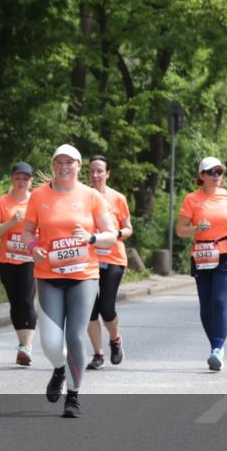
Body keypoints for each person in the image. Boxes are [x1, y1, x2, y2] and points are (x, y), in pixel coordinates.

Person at [21, 144, 117, 418]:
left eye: (69, 162)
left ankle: (73, 396)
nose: (64, 167)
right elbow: (27, 231)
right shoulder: (39, 195)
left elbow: (111, 234)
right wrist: (33, 247)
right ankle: (59, 369)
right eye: (59, 162)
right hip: (49, 274)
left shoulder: (91, 196)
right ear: (53, 165)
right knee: (50, 342)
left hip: (83, 275)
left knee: (75, 335)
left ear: (78, 165)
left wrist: (90, 238)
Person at [176, 157, 227, 371]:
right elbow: (180, 230)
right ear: (202, 175)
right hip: (202, 253)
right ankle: (215, 346)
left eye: (219, 172)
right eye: (211, 172)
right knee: (206, 304)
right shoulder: (192, 199)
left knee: (220, 300)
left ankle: (218, 350)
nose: (216, 176)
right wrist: (196, 229)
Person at [84, 155, 132, 370]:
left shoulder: (118, 198)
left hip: (113, 259)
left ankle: (115, 339)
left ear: (107, 174)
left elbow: (128, 228)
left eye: (99, 171)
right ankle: (98, 354)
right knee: (89, 310)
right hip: (88, 260)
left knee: (106, 307)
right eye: (92, 171)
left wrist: (116, 234)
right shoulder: (82, 197)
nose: (95, 175)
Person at [0, 162, 37, 366]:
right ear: (12, 179)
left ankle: (27, 346)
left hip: (29, 259)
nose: (21, 182)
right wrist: (11, 222)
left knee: (27, 299)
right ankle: (22, 343)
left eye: (25, 179)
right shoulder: (2, 202)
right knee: (15, 302)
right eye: (18, 178)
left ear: (31, 181)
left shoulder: (36, 201)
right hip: (8, 259)